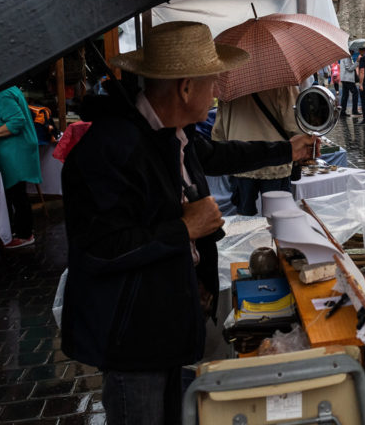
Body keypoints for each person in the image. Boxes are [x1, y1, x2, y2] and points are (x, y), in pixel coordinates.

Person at [60, 22, 318, 425]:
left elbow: (217, 154)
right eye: (212, 82)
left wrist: (285, 149)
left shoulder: (168, 133)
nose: (216, 90)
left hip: (165, 321)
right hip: (134, 338)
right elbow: (99, 248)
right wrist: (184, 229)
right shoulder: (113, 149)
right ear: (185, 89)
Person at [212, 85, 303, 215]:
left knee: (244, 220)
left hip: (239, 161)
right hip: (275, 162)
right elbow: (294, 123)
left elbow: (219, 131)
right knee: (279, 217)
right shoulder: (280, 83)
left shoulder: (229, 86)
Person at [0, 85, 42, 248]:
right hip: (14, 150)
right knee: (15, 192)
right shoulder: (4, 91)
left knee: (17, 193)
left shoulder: (2, 94)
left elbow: (17, 121)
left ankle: (25, 235)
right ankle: (19, 230)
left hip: (16, 151)